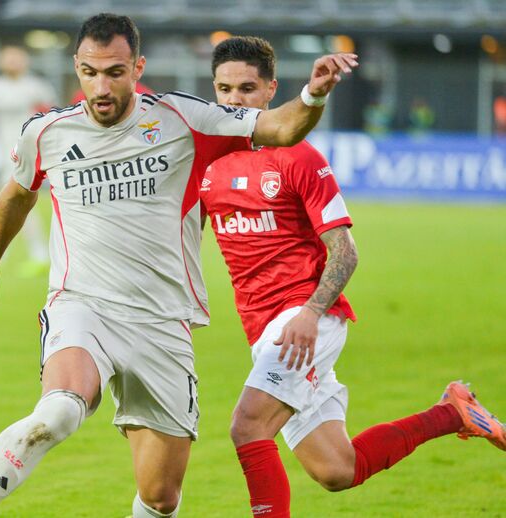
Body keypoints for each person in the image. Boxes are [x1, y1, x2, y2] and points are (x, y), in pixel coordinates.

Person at [0, 13, 357, 518]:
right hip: (83, 306)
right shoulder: (46, 132)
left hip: (163, 323)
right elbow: (15, 196)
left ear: (137, 67)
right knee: (58, 410)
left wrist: (313, 94)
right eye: (91, 72)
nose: (102, 85)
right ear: (76, 67)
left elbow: (281, 125)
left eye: (115, 72)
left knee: (161, 496)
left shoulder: (184, 118)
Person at [200, 36, 505, 518]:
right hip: (261, 330)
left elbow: (345, 251)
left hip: (305, 321)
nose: (235, 100)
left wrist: (311, 312)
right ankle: (453, 412)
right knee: (337, 469)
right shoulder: (208, 160)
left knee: (248, 427)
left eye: (247, 88)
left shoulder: (299, 157)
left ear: (271, 89)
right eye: (224, 89)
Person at [0, 45, 56, 275]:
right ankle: (26, 253)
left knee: (13, 201)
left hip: (27, 151)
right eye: (7, 58)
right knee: (14, 203)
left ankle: (31, 254)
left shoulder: (36, 86)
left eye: (16, 58)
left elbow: (51, 114)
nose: (11, 62)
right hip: (3, 151)